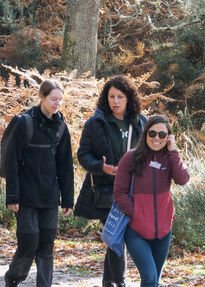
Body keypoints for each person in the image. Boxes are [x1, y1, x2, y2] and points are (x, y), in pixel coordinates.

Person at [74, 75, 147, 287]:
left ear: (128, 98)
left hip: (134, 190)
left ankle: (108, 281)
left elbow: (151, 153)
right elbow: (83, 155)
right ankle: (120, 282)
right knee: (118, 234)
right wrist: (100, 167)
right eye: (111, 96)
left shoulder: (141, 123)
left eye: (120, 97)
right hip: (106, 190)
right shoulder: (95, 123)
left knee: (115, 235)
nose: (115, 101)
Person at [3, 79, 74, 287]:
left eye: (60, 100)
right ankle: (14, 277)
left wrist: (67, 198)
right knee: (29, 243)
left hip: (50, 196)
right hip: (25, 196)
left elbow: (65, 166)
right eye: (53, 99)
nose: (57, 103)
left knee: (46, 246)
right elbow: (12, 162)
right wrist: (12, 196)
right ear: (42, 97)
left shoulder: (62, 127)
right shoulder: (25, 123)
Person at [113, 115, 189, 287]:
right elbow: (119, 193)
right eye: (152, 133)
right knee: (149, 277)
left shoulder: (169, 158)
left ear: (168, 137)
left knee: (153, 280)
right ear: (145, 134)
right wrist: (136, 214)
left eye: (162, 135)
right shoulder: (131, 158)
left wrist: (174, 151)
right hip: (136, 230)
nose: (157, 138)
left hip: (163, 231)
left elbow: (182, 179)